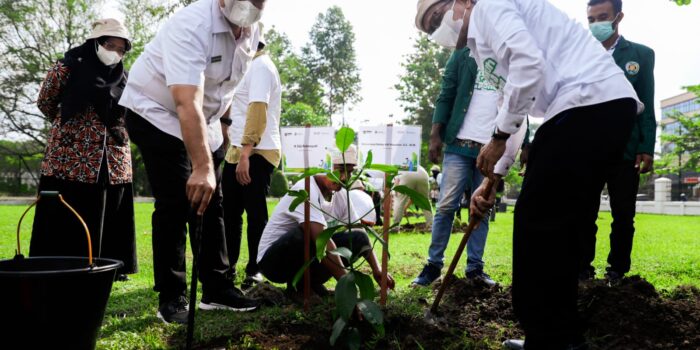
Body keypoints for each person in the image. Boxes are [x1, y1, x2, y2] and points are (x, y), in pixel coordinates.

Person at [420, 0, 643, 348]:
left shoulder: (489, 8)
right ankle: (559, 336)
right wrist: (492, 179)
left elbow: (527, 65)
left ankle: (546, 337)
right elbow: (512, 105)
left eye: (437, 18)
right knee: (563, 227)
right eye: (430, 29)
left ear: (462, 2)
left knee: (536, 222)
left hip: (588, 102)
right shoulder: (482, 46)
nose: (438, 30)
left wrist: (497, 138)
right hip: (599, 107)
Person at [119, 0, 265, 324]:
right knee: (176, 200)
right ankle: (171, 298)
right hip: (156, 110)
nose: (250, 5)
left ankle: (217, 288)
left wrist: (224, 126)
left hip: (205, 119)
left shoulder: (253, 32)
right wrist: (201, 168)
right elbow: (186, 101)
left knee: (214, 203)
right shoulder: (192, 26)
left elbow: (227, 85)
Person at [412, 0, 526, 288]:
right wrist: (436, 134)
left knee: (482, 207)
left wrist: (525, 142)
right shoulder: (462, 52)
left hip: (492, 148)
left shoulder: (504, 45)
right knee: (447, 205)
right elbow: (447, 90)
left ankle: (475, 268)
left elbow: (523, 97)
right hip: (459, 144)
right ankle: (433, 266)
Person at [30, 19, 137, 281]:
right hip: (71, 156)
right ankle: (63, 263)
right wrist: (72, 126)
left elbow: (131, 111)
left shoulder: (124, 76)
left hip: (112, 156)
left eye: (121, 49)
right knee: (68, 209)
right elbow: (45, 101)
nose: (116, 53)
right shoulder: (67, 67)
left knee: (109, 208)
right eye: (110, 45)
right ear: (95, 43)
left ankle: (110, 265)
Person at [579, 0, 656, 282]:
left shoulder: (641, 55)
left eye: (603, 17)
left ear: (618, 17)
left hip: (626, 150)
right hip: (587, 150)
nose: (596, 23)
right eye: (590, 19)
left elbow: (646, 104)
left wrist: (646, 146)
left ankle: (617, 271)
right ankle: (582, 269)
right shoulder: (579, 55)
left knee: (623, 216)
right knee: (584, 214)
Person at [257, 154, 395, 297]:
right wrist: (347, 288)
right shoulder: (305, 189)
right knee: (307, 233)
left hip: (306, 256)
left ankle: (308, 284)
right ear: (323, 167)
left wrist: (377, 269)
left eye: (350, 172)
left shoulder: (340, 194)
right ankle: (298, 288)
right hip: (273, 262)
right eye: (339, 170)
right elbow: (321, 242)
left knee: (358, 238)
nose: (344, 178)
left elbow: (357, 229)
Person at [222, 31, 282, 289]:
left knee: (255, 213)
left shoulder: (261, 66)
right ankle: (227, 267)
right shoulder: (245, 68)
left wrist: (246, 152)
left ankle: (256, 269)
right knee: (229, 213)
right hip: (238, 149)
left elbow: (258, 110)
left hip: (256, 151)